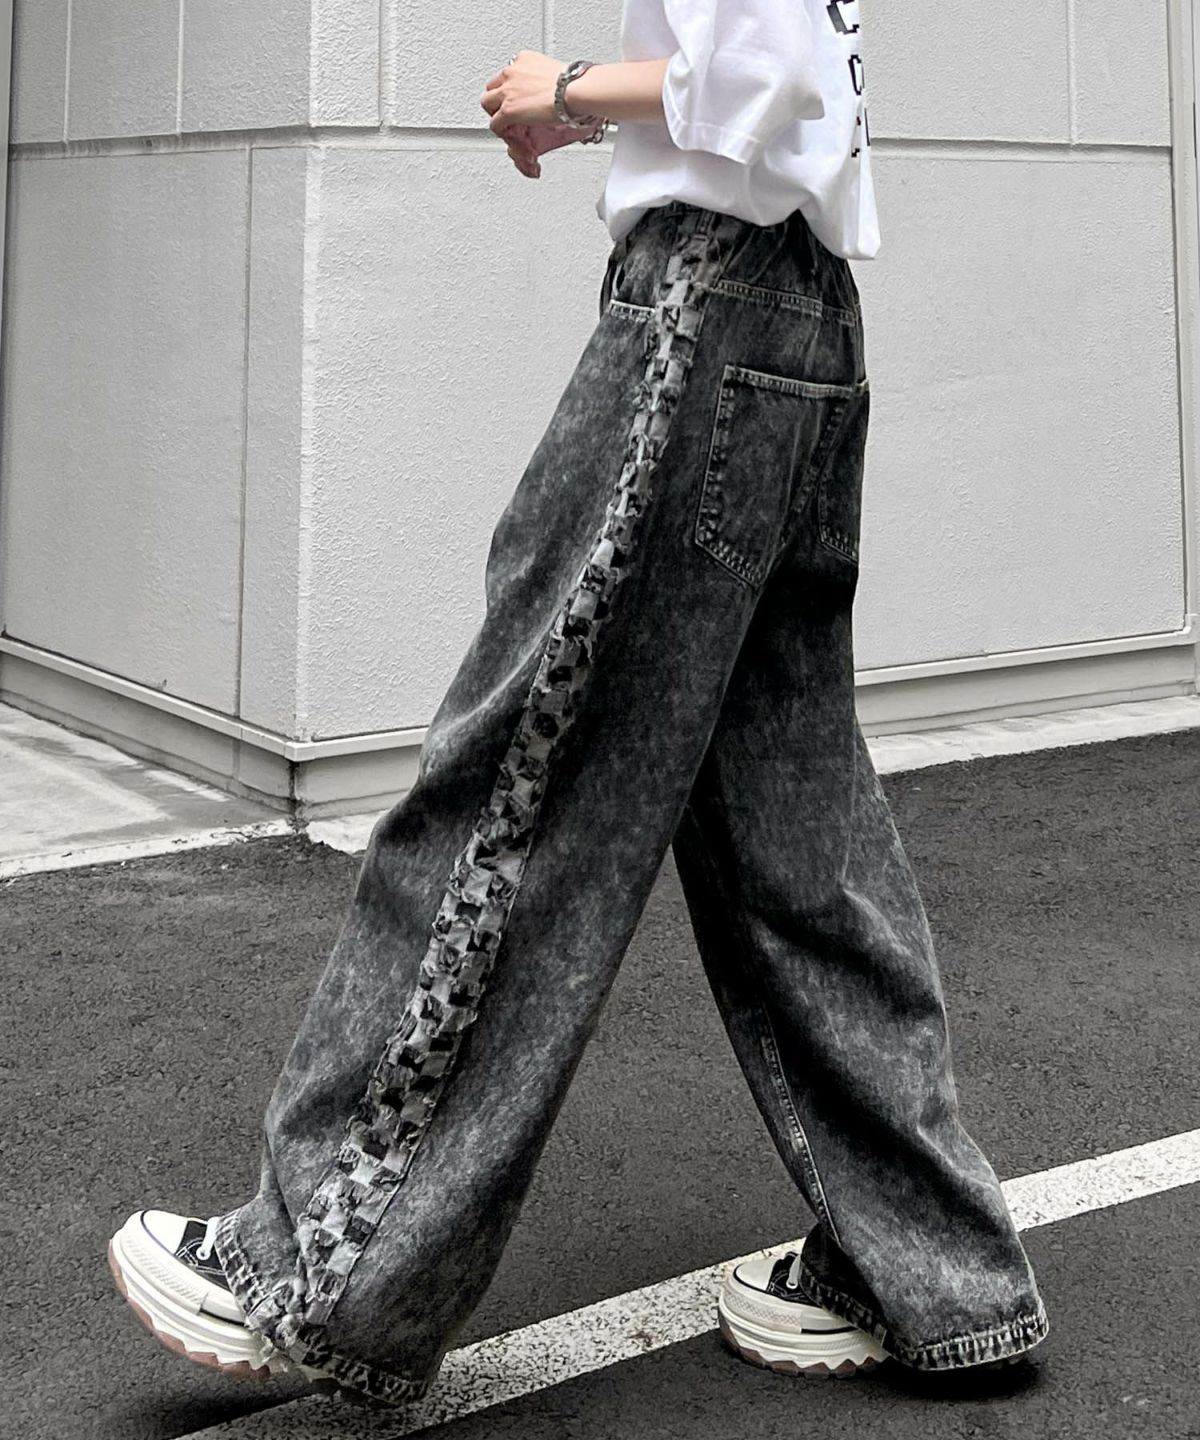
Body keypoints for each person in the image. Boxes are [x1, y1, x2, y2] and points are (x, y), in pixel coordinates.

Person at [108, 0, 1049, 1408]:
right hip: (802, 327)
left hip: (702, 312)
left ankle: (319, 1266)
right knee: (798, 840)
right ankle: (939, 1270)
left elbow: (765, 79)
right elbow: (796, 82)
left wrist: (567, 88)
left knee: (520, 782)